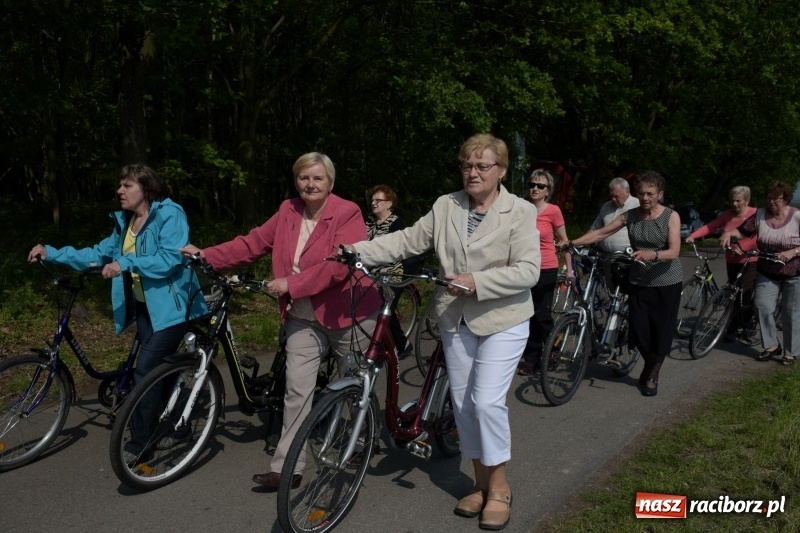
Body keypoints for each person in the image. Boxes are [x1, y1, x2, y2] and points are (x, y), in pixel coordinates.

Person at [346, 133, 540, 530]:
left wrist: (477, 281)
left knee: (486, 402)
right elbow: (408, 240)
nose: (472, 172)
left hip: (503, 318)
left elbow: (529, 270)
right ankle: (479, 484)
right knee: (464, 405)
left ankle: (500, 487)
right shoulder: (445, 205)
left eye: (482, 165)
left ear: (501, 170)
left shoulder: (519, 211)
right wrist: (356, 250)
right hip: (456, 318)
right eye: (467, 165)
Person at [180, 152, 381, 489]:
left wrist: (292, 284)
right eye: (304, 177)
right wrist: (206, 256)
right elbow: (253, 244)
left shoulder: (347, 212)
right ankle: (288, 467)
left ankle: (362, 437)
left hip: (349, 313)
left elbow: (338, 266)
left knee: (355, 382)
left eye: (318, 178)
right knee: (296, 391)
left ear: (330, 183)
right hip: (302, 316)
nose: (310, 184)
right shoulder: (288, 210)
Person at [28, 164, 208, 462]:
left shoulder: (169, 214)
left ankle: (143, 443)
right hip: (146, 307)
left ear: (147, 189)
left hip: (176, 308)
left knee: (146, 371)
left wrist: (126, 264)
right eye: (120, 185)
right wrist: (52, 252)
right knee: (159, 367)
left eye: (127, 186)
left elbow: (170, 257)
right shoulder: (126, 221)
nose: (119, 191)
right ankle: (179, 423)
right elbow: (98, 253)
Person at [563, 171, 682, 397]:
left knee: (661, 331)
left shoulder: (670, 216)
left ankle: (652, 374)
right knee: (639, 330)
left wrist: (653, 255)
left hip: (666, 282)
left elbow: (674, 251)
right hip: (639, 281)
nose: (645, 198)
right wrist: (572, 242)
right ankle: (648, 364)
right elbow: (600, 233)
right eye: (641, 193)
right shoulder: (631, 216)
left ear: (660, 195)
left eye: (650, 193)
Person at [720, 180, 800, 365]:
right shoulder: (761, 215)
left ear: (786, 199)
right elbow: (742, 231)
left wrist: (792, 252)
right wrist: (728, 234)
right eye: (769, 198)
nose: (772, 202)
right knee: (761, 305)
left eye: (777, 198)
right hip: (767, 270)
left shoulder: (796, 216)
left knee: (791, 312)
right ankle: (772, 345)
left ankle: (790, 352)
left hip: (794, 272)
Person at [517, 168, 573, 377]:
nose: (535, 189)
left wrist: (570, 270)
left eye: (540, 186)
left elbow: (565, 241)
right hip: (524, 267)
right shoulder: (522, 208)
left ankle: (552, 351)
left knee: (541, 315)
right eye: (532, 184)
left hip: (547, 267)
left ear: (548, 190)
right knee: (526, 314)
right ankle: (531, 359)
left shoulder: (553, 211)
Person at [686, 186, 758, 343]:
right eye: (732, 200)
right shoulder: (728, 215)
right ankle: (732, 326)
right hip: (731, 260)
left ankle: (747, 326)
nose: (734, 204)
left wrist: (742, 246)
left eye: (738, 200)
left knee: (742, 296)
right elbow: (710, 226)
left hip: (750, 261)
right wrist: (693, 236)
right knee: (731, 293)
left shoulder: (755, 215)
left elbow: (756, 236)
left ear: (747, 200)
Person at [365, 184, 414, 357]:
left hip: (391, 273)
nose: (373, 203)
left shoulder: (396, 223)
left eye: (378, 200)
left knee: (385, 310)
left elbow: (395, 249)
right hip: (368, 272)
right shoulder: (369, 220)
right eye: (372, 200)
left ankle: (403, 345)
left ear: (389, 203)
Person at [590, 177, 640, 253]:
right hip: (604, 255)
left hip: (627, 257)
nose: (613, 199)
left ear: (627, 192)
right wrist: (579, 243)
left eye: (616, 196)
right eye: (611, 196)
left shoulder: (637, 205)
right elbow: (594, 228)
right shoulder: (606, 206)